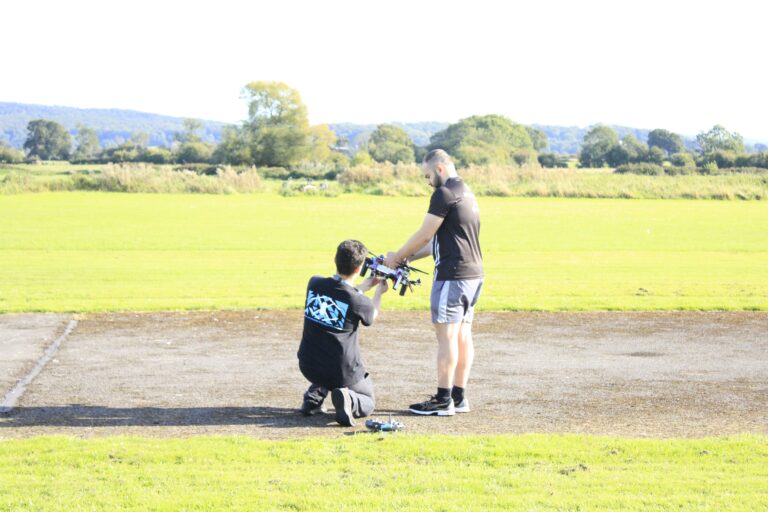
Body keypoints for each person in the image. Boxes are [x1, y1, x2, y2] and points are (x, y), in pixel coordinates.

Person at [384, 149, 483, 416]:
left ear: (439, 169)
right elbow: (438, 243)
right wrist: (406, 259)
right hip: (473, 275)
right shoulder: (466, 191)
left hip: (452, 276)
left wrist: (396, 257)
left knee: (446, 338)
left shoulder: (443, 193)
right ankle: (459, 397)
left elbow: (425, 235)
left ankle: (442, 400)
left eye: (427, 175)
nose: (427, 181)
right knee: (463, 336)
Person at [297, 239, 388, 426]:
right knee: (368, 401)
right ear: (359, 267)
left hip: (308, 365)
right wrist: (378, 292)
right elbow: (371, 314)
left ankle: (313, 398)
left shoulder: (314, 283)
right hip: (341, 372)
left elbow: (340, 295)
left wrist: (364, 286)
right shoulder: (358, 301)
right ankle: (349, 401)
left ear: (335, 259)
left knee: (324, 357)